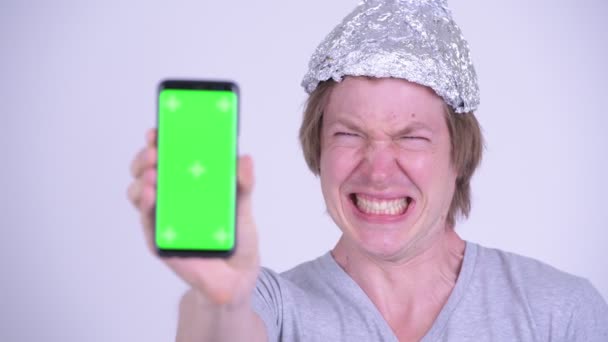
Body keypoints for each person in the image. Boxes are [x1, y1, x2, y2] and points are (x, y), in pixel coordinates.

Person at [128, 0, 608, 341]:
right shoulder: (272, 306)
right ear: (318, 151)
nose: (378, 171)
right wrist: (221, 299)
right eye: (349, 134)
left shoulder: (559, 312)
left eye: (411, 137)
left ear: (459, 156)